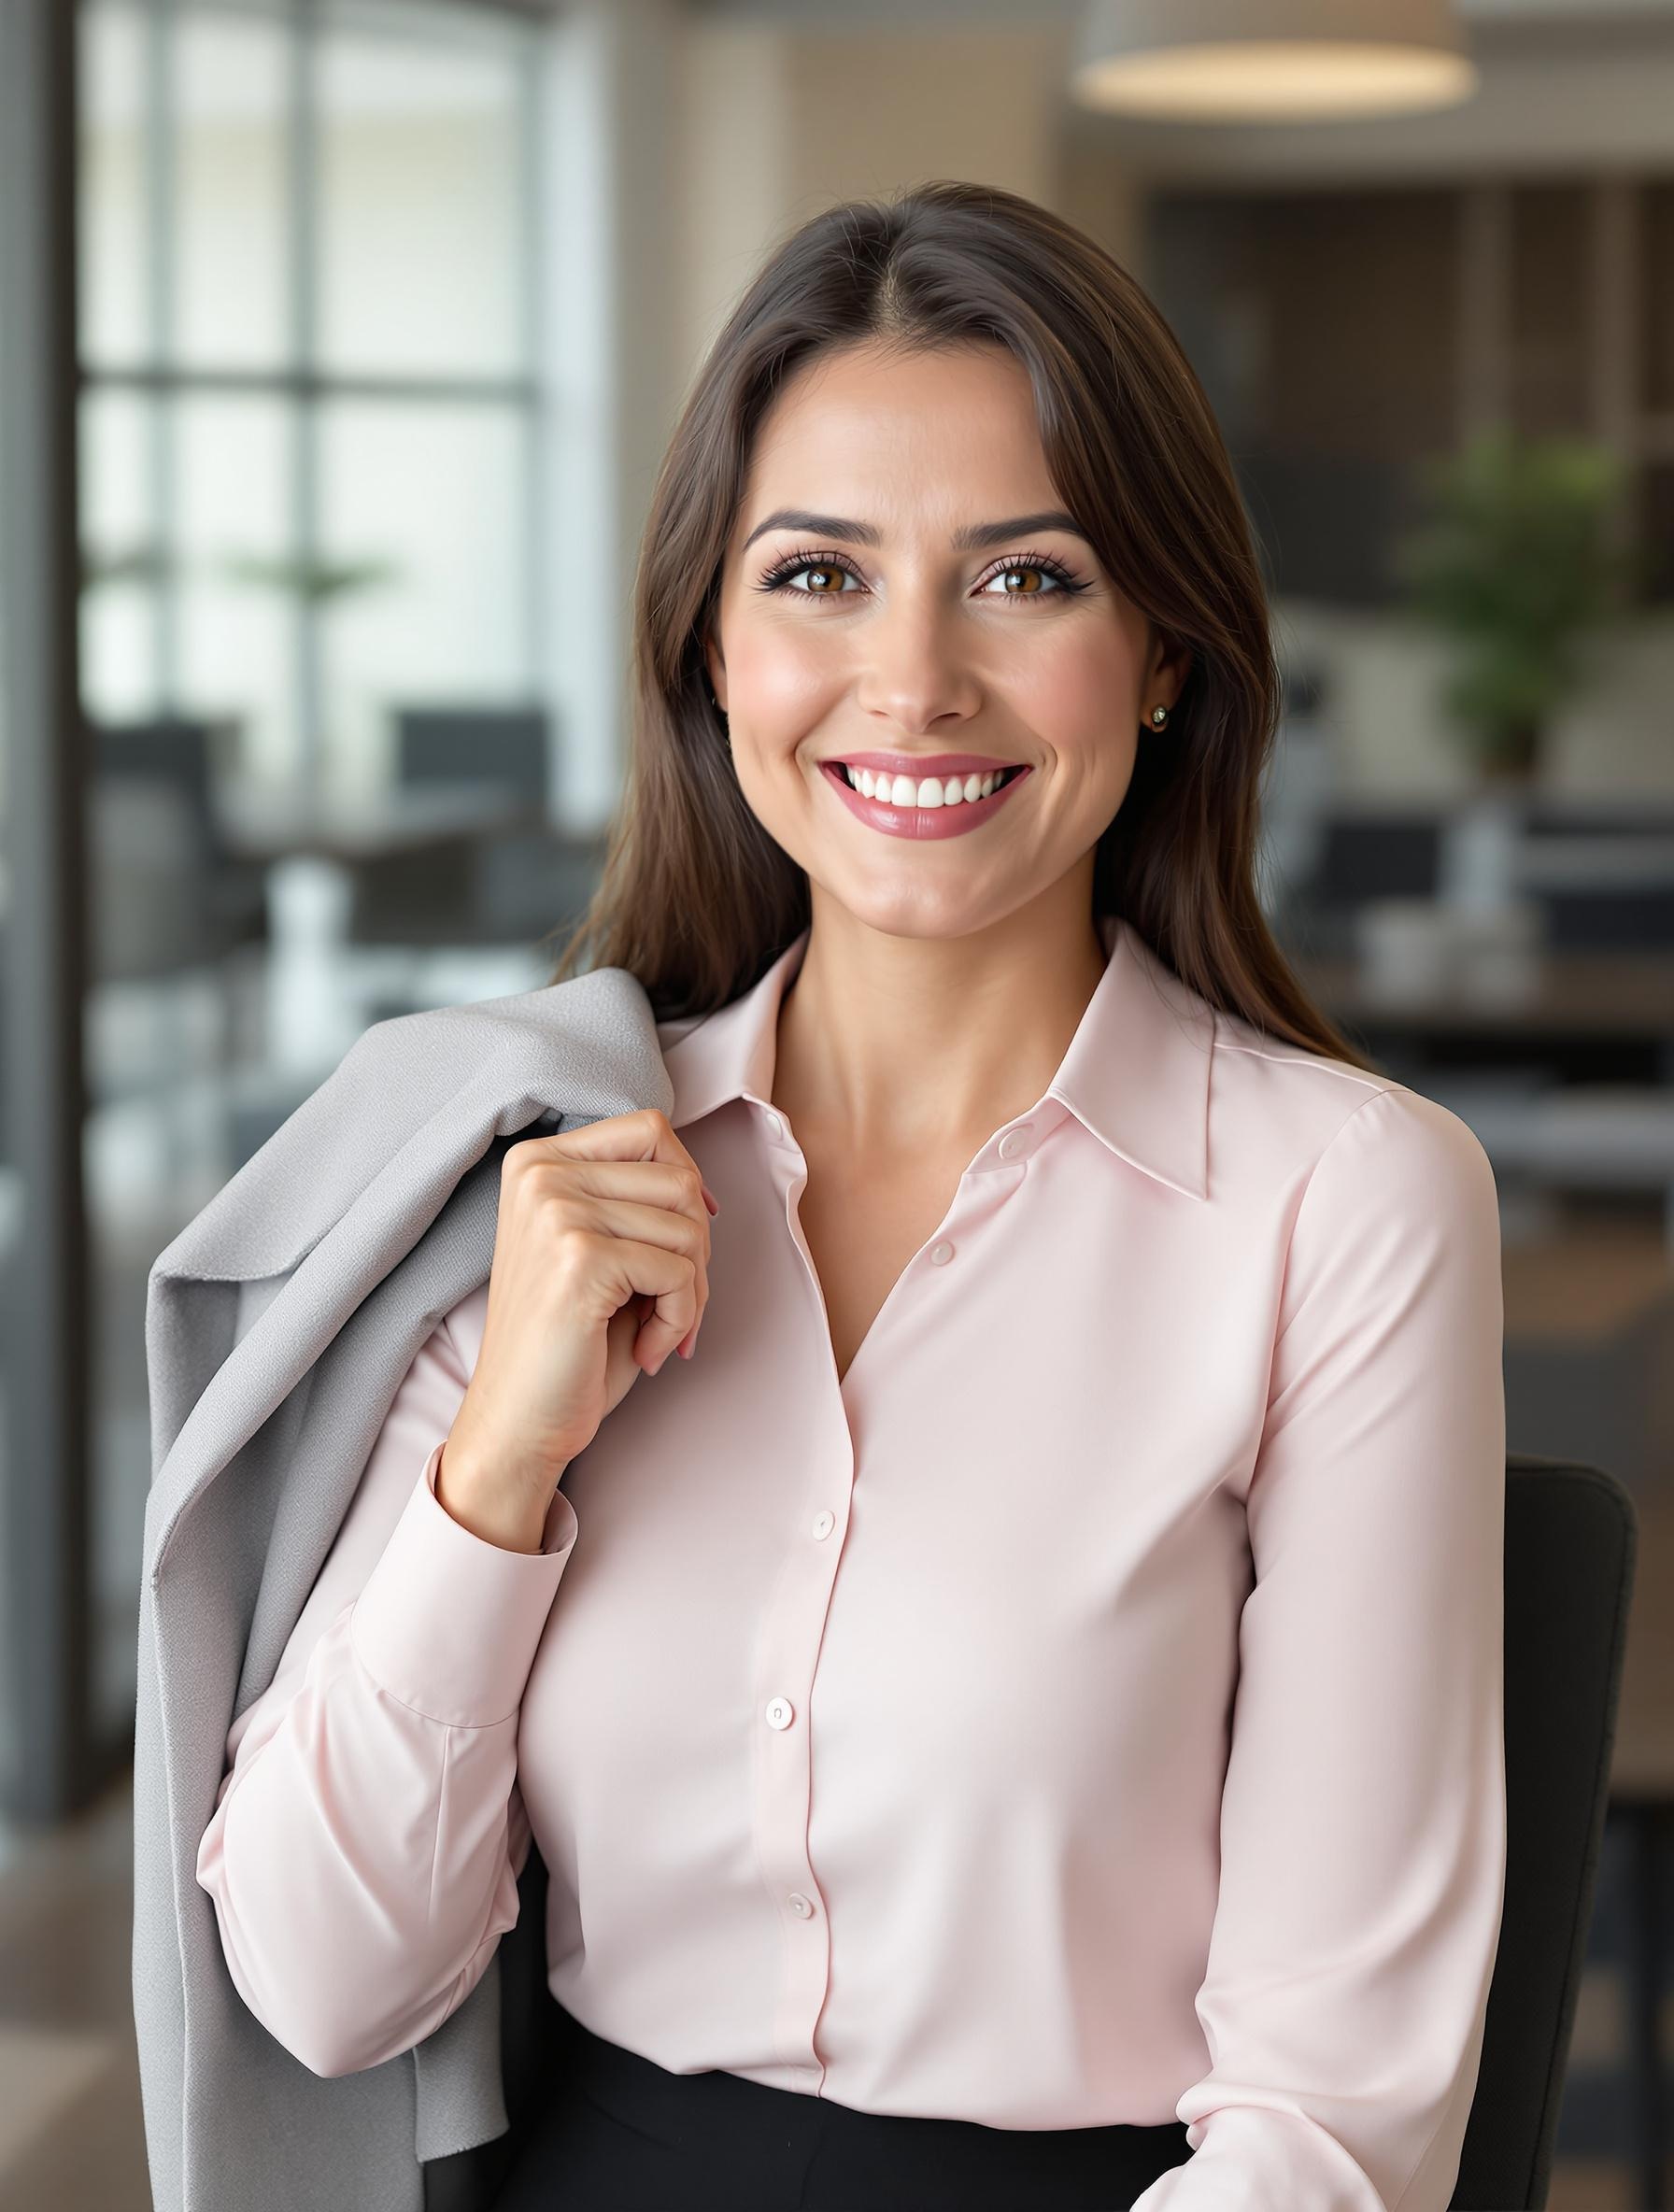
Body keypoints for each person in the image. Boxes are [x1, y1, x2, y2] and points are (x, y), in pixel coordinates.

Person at [194, 179, 1506, 2212]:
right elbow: (319, 1978)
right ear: (710, 649)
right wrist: (502, 1455)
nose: (909, 683)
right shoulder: (538, 1165)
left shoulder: (1344, 1204)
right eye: (816, 573)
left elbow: (1331, 2113)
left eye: (1023, 579)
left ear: (1159, 650)